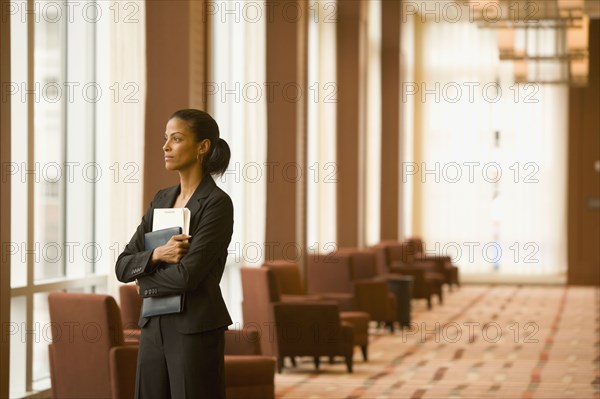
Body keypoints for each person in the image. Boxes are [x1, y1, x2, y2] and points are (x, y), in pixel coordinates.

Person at [115, 109, 234, 399]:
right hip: (153, 327)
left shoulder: (216, 204)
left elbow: (186, 277)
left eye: (176, 138)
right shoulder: (161, 199)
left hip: (194, 329)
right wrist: (156, 254)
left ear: (202, 147)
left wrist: (144, 281)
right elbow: (122, 266)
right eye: (166, 138)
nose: (166, 146)